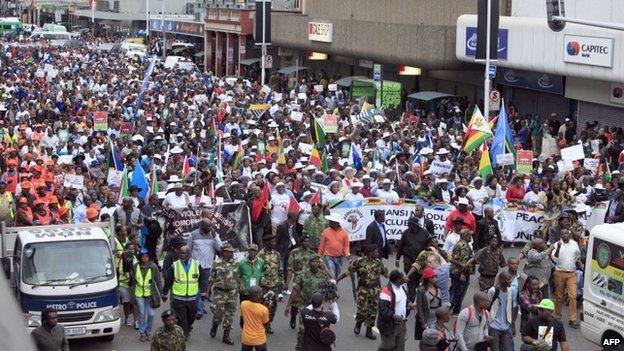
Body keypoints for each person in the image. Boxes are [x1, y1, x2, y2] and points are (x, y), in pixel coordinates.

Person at [337, 245, 388, 340]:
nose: (378, 253)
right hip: (363, 290)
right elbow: (348, 272)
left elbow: (386, 274)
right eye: (376, 252)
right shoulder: (359, 262)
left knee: (372, 311)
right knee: (362, 310)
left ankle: (369, 331)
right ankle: (358, 323)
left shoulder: (379, 263)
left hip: (375, 290)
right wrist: (338, 279)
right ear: (370, 252)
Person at [286, 254, 330, 351]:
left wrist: (325, 269)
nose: (315, 263)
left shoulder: (323, 274)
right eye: (313, 261)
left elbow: (331, 282)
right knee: (303, 330)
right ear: (309, 263)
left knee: (317, 330)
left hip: (318, 308)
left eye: (317, 262)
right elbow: (295, 290)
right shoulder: (302, 275)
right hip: (304, 306)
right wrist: (288, 305)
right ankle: (299, 348)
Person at [186, 217, 222, 319]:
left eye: (211, 225)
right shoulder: (193, 235)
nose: (211, 228)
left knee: (203, 289)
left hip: (207, 266)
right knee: (194, 288)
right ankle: (195, 307)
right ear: (202, 226)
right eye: (208, 226)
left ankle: (199, 309)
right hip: (195, 266)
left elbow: (220, 248)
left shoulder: (213, 235)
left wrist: (215, 236)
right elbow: (188, 250)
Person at [207, 244, 242, 345]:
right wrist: (208, 291)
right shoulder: (216, 263)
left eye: (232, 251)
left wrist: (240, 284)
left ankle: (226, 335)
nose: (232, 253)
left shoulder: (235, 263)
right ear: (224, 252)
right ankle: (215, 324)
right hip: (219, 292)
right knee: (218, 313)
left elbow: (237, 275)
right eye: (229, 251)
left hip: (232, 292)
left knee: (230, 314)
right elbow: (211, 278)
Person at [162, 246, 199, 339]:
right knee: (181, 317)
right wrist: (164, 292)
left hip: (192, 297)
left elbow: (202, 279)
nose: (182, 255)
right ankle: (185, 334)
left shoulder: (197, 264)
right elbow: (169, 280)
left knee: (192, 316)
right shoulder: (175, 265)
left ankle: (187, 327)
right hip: (178, 297)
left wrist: (203, 292)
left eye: (184, 253)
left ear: (189, 254)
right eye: (180, 253)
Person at [551, 227, 581, 328]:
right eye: (563, 234)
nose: (565, 235)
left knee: (573, 296)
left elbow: (577, 255)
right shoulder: (556, 245)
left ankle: (572, 319)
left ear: (569, 234)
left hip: (572, 273)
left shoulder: (574, 244)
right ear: (561, 236)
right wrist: (559, 248)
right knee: (559, 296)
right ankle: (557, 316)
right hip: (559, 272)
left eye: (566, 234)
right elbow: (554, 258)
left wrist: (575, 262)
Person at [395, 215, 430, 300]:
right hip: (408, 260)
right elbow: (401, 246)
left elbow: (429, 246)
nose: (410, 226)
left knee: (418, 280)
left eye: (411, 224)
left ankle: (418, 297)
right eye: (409, 224)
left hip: (421, 261)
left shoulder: (424, 233)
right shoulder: (406, 233)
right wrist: (397, 258)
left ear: (416, 225)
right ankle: (412, 298)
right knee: (410, 281)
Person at [133, 248, 163, 342]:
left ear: (149, 257)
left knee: (151, 314)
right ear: (140, 257)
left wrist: (162, 293)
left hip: (150, 294)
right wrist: (132, 295)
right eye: (142, 256)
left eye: (146, 256)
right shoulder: (135, 266)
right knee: (141, 313)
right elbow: (132, 281)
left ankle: (148, 331)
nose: (144, 258)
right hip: (139, 294)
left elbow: (158, 281)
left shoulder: (153, 266)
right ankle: (142, 333)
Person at [285, 235, 314, 329]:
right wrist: (287, 282)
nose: (307, 243)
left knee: (308, 300)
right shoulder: (294, 252)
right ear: (301, 242)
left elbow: (320, 265)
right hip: (298, 280)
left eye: (308, 241)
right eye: (305, 241)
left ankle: (306, 319)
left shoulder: (312, 253)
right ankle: (293, 317)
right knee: (295, 300)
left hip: (309, 281)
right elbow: (290, 268)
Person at [377, 269, 409, 351]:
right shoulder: (386, 291)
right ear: (398, 279)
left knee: (400, 347)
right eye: (403, 276)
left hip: (402, 324)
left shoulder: (403, 288)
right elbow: (382, 308)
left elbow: (405, 301)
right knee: (388, 346)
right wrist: (393, 315)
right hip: (390, 325)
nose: (405, 277)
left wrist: (409, 306)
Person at [487, 271, 517, 351]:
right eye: (507, 279)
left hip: (506, 326)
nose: (510, 281)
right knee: (495, 349)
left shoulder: (511, 291)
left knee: (509, 348)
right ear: (501, 280)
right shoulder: (493, 291)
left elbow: (512, 306)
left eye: (510, 279)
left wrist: (512, 324)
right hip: (494, 326)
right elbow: (486, 307)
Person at [258, 233, 282, 334]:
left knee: (273, 305)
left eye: (274, 241)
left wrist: (281, 281)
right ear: (266, 243)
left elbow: (279, 268)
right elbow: (258, 270)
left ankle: (268, 324)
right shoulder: (260, 255)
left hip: (275, 284)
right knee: (263, 305)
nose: (274, 243)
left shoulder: (277, 254)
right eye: (272, 241)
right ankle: (260, 324)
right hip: (264, 285)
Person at [449, 229, 475, 315]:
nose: (471, 237)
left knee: (454, 290)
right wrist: (463, 274)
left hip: (454, 271)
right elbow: (464, 263)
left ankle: (449, 307)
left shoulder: (458, 244)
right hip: (461, 273)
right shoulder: (464, 246)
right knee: (460, 293)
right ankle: (455, 311)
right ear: (465, 236)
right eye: (469, 235)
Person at [318, 214, 351, 280]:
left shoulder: (344, 233)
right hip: (329, 257)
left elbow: (346, 246)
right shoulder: (326, 231)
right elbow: (322, 245)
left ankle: (333, 287)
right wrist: (319, 255)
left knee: (337, 276)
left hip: (339, 257)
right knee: (331, 274)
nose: (329, 222)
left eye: (331, 221)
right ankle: (333, 288)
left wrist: (347, 254)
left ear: (335, 223)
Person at [415, 267, 443, 339]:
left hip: (436, 318)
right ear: (428, 278)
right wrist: (423, 322)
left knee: (437, 339)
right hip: (426, 319)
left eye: (435, 276)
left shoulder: (438, 288)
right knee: (425, 340)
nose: (435, 278)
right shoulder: (421, 290)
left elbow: (441, 304)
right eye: (433, 276)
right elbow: (419, 307)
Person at [240, 286, 270, 351]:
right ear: (259, 296)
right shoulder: (264, 309)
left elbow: (242, 320)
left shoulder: (243, 304)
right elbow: (266, 324)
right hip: (259, 338)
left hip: (247, 338)